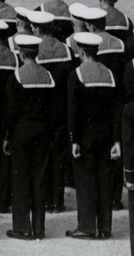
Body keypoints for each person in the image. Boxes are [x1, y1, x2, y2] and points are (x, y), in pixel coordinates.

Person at [66, 31, 121, 240]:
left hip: (85, 136)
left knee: (86, 181)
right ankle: (105, 227)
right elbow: (116, 110)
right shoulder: (109, 74)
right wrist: (117, 140)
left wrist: (74, 140)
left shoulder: (76, 75)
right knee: (104, 181)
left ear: (80, 51)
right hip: (106, 136)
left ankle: (87, 227)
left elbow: (73, 111)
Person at [4, 33, 54, 241]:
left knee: (20, 179)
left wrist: (7, 136)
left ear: (21, 53)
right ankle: (39, 228)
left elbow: (10, 111)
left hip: (21, 133)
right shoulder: (48, 76)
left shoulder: (16, 77)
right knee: (39, 178)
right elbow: (53, 110)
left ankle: (23, 226)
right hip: (42, 132)